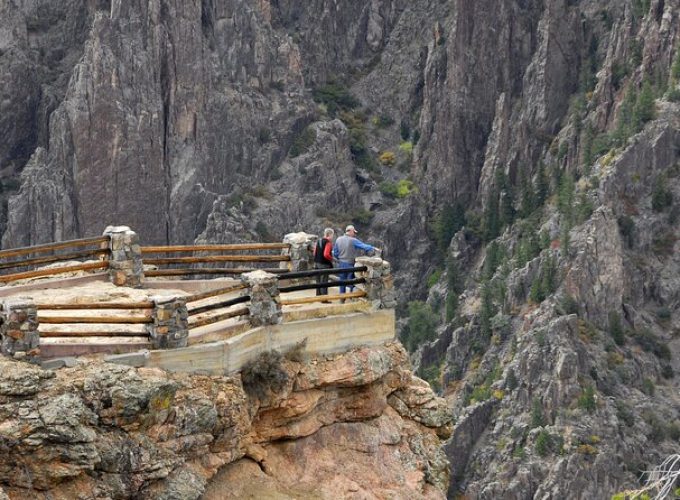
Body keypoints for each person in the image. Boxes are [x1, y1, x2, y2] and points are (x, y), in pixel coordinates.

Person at [333, 224, 381, 295]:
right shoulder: (353, 240)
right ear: (350, 231)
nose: (354, 234)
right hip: (350, 264)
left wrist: (339, 258)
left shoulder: (338, 239)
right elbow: (364, 246)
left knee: (342, 281)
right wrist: (373, 248)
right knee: (351, 282)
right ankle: (351, 296)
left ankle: (342, 298)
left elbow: (335, 253)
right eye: (354, 232)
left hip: (341, 263)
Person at [313, 227, 335, 298]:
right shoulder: (328, 242)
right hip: (324, 264)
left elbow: (314, 252)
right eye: (332, 235)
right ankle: (324, 298)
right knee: (324, 281)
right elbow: (326, 254)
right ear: (329, 234)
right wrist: (332, 259)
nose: (332, 237)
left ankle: (318, 296)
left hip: (317, 263)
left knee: (318, 280)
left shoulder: (318, 241)